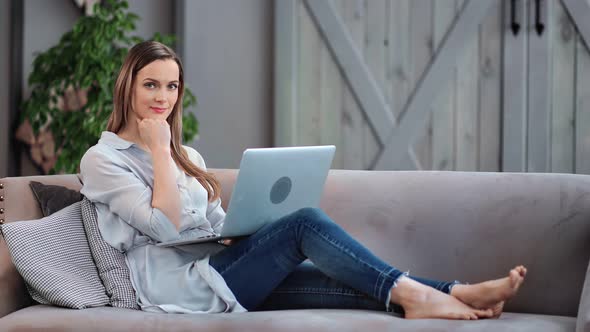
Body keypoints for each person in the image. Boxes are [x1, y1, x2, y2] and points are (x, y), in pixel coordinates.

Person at [79, 41, 527, 319]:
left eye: (172, 86)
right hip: (180, 287)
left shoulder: (187, 154)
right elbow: (163, 227)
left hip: (219, 267)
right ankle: (433, 296)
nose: (163, 97)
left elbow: (213, 222)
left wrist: (241, 233)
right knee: (304, 222)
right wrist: (157, 150)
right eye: (151, 85)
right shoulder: (102, 159)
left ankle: (456, 293)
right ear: (128, 88)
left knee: (337, 282)